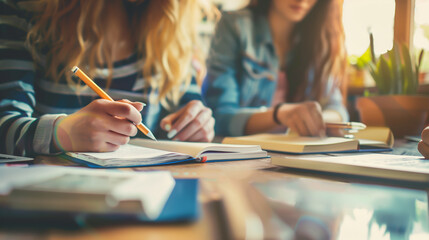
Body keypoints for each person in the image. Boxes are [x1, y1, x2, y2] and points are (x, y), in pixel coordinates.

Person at [0, 0, 215, 156]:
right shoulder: (24, 15)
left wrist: (198, 123)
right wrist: (63, 134)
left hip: (145, 190)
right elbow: (4, 128)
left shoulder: (171, 31)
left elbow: (189, 109)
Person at [202, 0, 348, 137]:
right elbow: (220, 117)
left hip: (296, 154)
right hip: (244, 154)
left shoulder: (319, 39)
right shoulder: (234, 26)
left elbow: (338, 109)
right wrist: (280, 115)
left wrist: (317, 119)